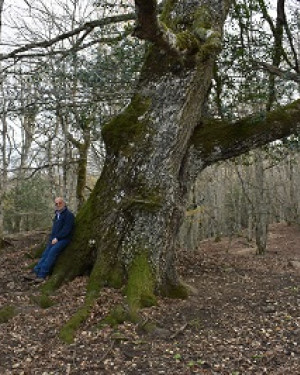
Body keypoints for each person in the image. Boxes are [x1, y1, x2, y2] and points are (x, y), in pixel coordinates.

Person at [24, 197, 75, 282]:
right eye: (56, 204)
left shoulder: (69, 215)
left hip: (64, 239)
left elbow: (67, 229)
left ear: (64, 204)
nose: (58, 205)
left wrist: (57, 238)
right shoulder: (57, 215)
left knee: (52, 252)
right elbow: (55, 229)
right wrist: (52, 238)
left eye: (60, 203)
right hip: (54, 239)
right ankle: (35, 272)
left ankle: (41, 275)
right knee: (45, 253)